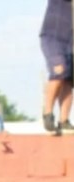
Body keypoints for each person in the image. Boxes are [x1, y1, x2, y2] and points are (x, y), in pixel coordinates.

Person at [40, 0, 73, 133]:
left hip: (71, 41)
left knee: (68, 80)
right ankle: (47, 113)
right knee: (59, 71)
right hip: (53, 38)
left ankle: (63, 121)